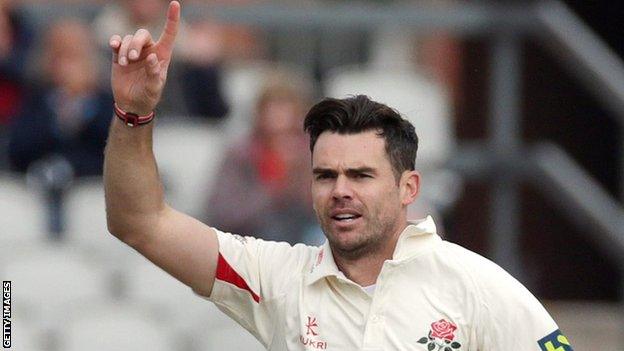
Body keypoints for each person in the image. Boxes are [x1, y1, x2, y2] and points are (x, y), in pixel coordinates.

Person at [104, 2, 574, 350]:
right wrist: (133, 112)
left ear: (409, 187)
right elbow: (140, 222)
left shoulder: (476, 286)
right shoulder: (279, 280)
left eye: (361, 175)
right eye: (325, 175)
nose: (340, 191)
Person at [205, 78, 321, 245]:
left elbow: (322, 208)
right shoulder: (239, 156)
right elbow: (223, 213)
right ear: (259, 116)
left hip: (304, 236)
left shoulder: (312, 153)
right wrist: (274, 185)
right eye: (274, 111)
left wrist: (298, 173)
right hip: (251, 241)